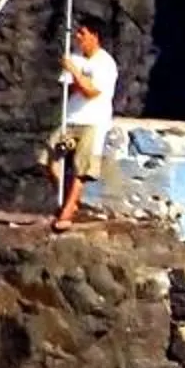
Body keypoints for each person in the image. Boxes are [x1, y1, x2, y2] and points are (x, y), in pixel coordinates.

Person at [45, 20, 119, 231]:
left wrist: (75, 73)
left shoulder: (106, 63)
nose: (78, 37)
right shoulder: (76, 58)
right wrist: (76, 74)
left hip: (94, 120)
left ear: (94, 36)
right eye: (77, 33)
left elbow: (92, 91)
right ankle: (71, 200)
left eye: (83, 33)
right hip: (71, 117)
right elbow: (73, 88)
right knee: (51, 160)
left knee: (81, 168)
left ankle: (67, 211)